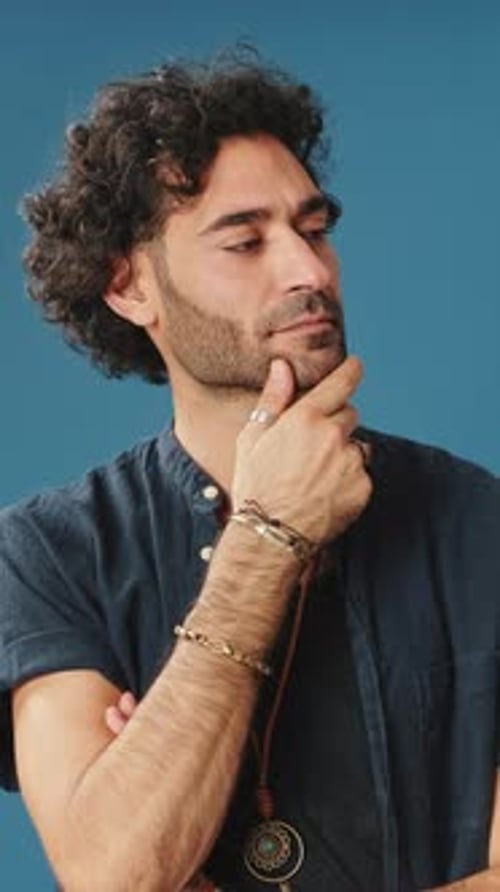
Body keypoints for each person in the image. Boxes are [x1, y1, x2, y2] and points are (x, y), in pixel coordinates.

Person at [0, 48, 499, 892]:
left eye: (313, 230)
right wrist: (268, 539)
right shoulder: (47, 554)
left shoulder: (480, 523)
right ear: (129, 285)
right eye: (245, 241)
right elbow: (114, 874)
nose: (310, 273)